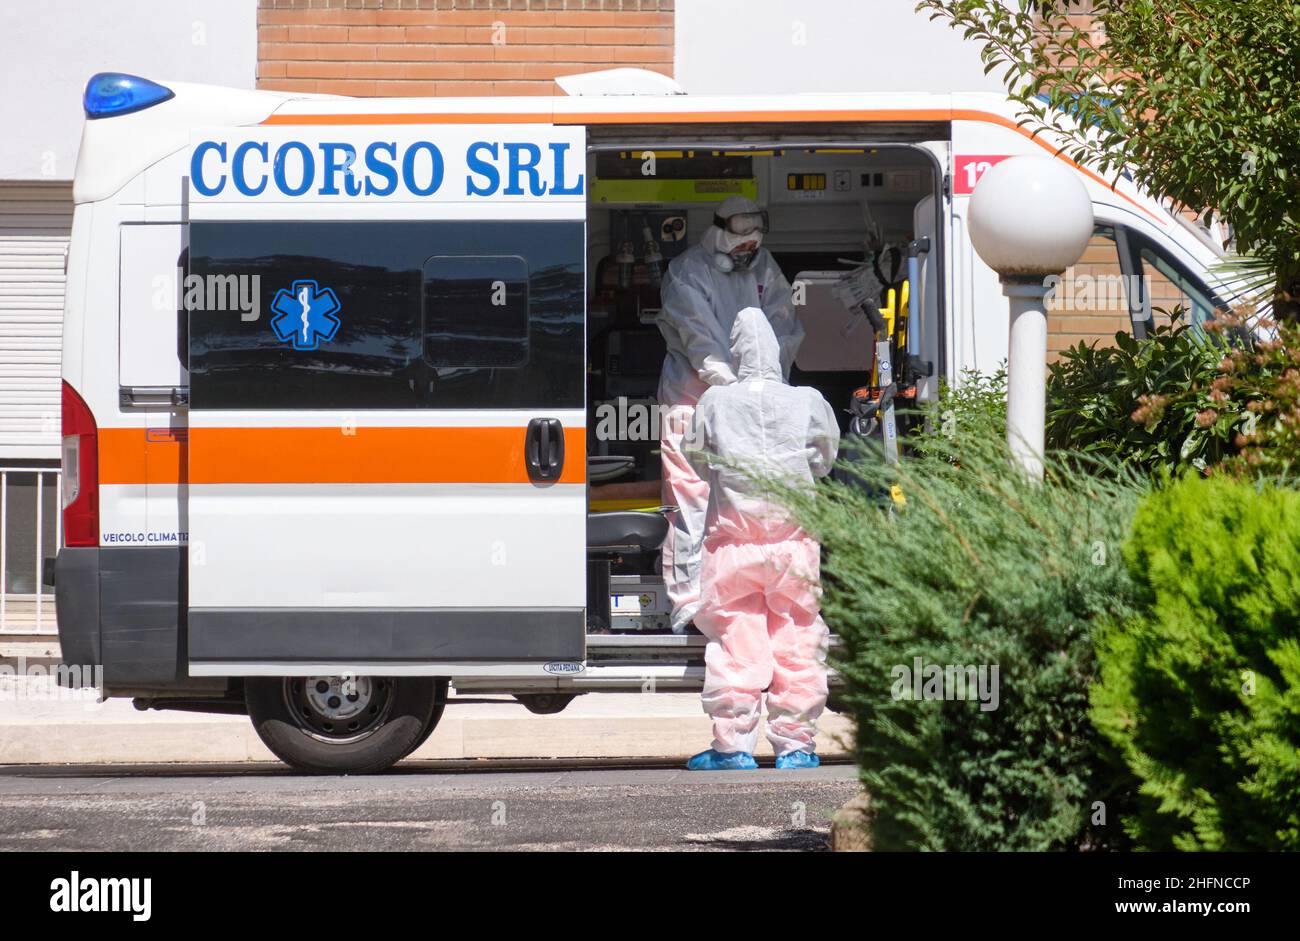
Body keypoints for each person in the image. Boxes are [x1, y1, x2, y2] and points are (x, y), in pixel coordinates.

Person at [683, 307, 840, 770]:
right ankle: (796, 745)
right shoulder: (807, 400)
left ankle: (732, 747)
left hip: (734, 545)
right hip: (793, 544)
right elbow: (824, 459)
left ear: (735, 350)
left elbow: (695, 459)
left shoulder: (714, 401)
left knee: (737, 638)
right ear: (776, 348)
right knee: (798, 636)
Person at [656, 195, 804, 635]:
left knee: (751, 504)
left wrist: (766, 387)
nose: (747, 252)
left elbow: (783, 328)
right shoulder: (687, 272)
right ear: (719, 232)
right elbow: (701, 342)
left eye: (753, 243)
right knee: (691, 500)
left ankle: (741, 599)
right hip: (693, 399)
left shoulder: (764, 267)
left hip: (754, 402)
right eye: (740, 243)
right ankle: (687, 600)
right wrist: (744, 392)